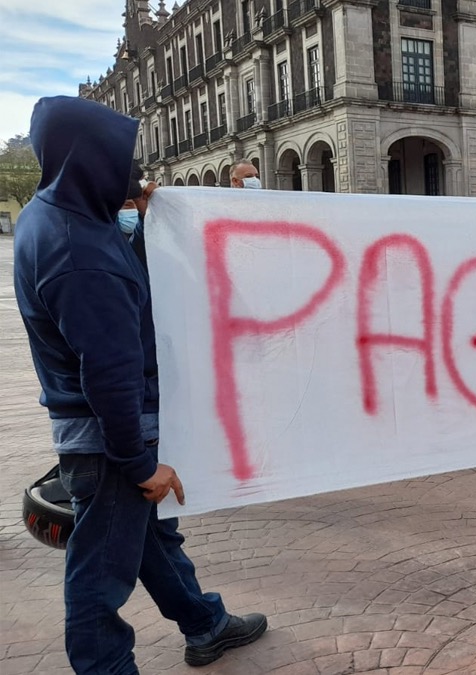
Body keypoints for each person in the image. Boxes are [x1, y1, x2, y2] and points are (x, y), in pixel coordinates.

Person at [13, 96, 268, 673]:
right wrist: (137, 462)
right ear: (88, 158)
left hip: (97, 430)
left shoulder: (52, 217)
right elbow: (108, 370)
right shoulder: (81, 253)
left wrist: (141, 214)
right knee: (99, 575)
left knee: (150, 537)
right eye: (120, 157)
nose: (132, 170)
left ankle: (205, 623)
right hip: (108, 439)